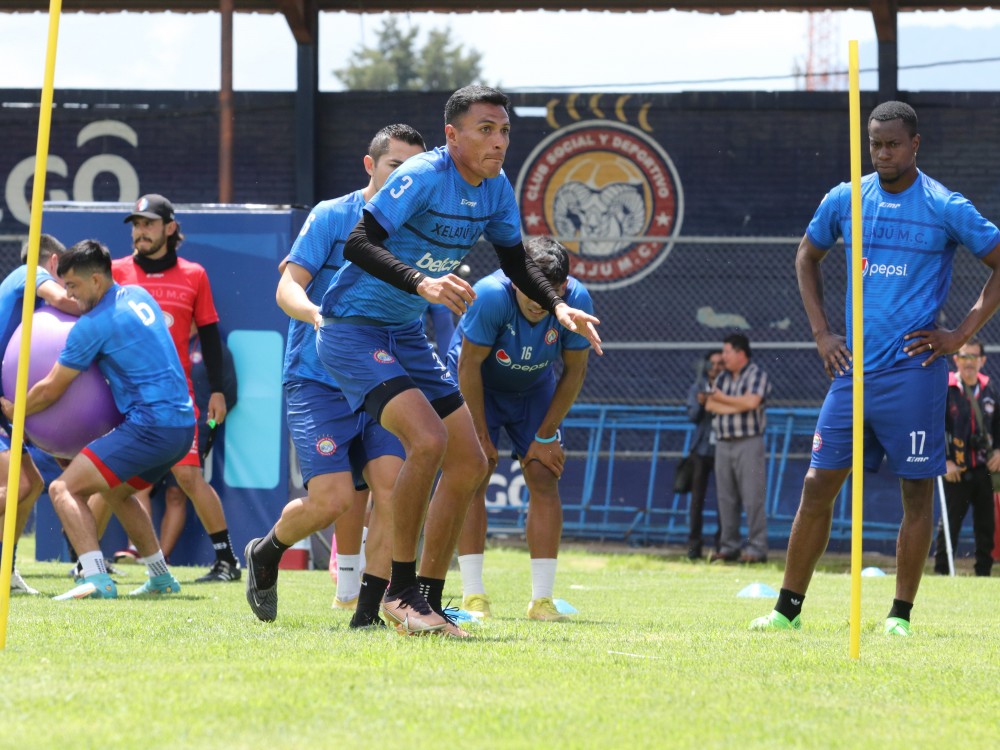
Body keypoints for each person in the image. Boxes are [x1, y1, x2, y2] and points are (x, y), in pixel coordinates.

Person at [312, 85, 602, 637]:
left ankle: (429, 600)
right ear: (452, 135)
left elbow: (516, 261)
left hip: (404, 333)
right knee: (429, 442)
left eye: (505, 131)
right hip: (352, 330)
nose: (499, 142)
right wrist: (421, 281)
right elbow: (356, 243)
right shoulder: (422, 175)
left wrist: (561, 307)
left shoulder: (495, 189)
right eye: (485, 130)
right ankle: (400, 594)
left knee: (469, 462)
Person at [751, 101, 1000, 636]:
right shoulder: (846, 199)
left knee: (915, 494)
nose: (883, 153)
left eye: (892, 143)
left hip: (914, 374)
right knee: (818, 484)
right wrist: (821, 333)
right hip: (851, 376)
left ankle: (899, 616)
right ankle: (786, 609)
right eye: (874, 144)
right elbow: (805, 256)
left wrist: (958, 336)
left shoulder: (943, 205)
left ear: (915, 145)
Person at [244, 124, 425, 628]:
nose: (405, 178)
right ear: (370, 166)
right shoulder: (332, 216)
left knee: (392, 488)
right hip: (316, 381)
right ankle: (265, 551)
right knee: (334, 500)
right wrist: (316, 315)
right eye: (395, 166)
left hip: (381, 380)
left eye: (415, 169)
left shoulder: (420, 227)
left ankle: (365, 613)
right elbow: (288, 287)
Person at [0, 239, 194, 599]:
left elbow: (51, 389)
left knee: (62, 488)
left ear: (96, 281)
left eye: (72, 286)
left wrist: (16, 411)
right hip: (182, 425)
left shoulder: (93, 325)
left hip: (149, 426)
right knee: (117, 491)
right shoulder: (139, 296)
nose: (68, 295)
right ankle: (161, 577)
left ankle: (95, 578)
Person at [450, 236, 594, 621]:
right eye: (528, 289)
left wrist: (546, 435)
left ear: (562, 288)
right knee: (474, 475)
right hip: (476, 384)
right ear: (514, 279)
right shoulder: (490, 296)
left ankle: (542, 601)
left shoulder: (577, 301)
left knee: (544, 474)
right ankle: (473, 596)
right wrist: (480, 434)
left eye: (547, 292)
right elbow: (468, 367)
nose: (535, 299)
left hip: (533, 388)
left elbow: (575, 371)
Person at [107, 194, 241, 582]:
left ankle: (227, 562)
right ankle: (86, 560)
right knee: (103, 476)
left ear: (170, 228)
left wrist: (216, 390)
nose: (140, 231)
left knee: (188, 478)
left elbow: (211, 337)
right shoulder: (115, 272)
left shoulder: (194, 274)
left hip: (174, 398)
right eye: (136, 224)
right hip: (123, 398)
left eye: (148, 223)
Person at [0, 234, 79, 595]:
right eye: (66, 274)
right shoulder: (29, 272)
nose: (68, 285)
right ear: (52, 263)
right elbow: (64, 300)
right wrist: (103, 305)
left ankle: (7, 570)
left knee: (30, 487)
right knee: (25, 485)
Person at [934, 338, 999, 576]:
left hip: (985, 470)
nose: (969, 362)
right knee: (949, 526)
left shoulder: (991, 389)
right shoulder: (946, 388)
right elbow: (933, 427)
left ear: (982, 360)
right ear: (956, 360)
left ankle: (984, 574)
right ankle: (942, 572)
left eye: (974, 357)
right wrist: (945, 461)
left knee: (986, 526)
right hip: (955, 470)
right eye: (964, 356)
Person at [705, 333, 771, 564]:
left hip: (748, 442)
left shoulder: (757, 375)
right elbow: (710, 403)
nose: (723, 357)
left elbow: (752, 402)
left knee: (753, 497)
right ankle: (729, 546)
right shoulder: (722, 378)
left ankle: (756, 548)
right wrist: (737, 403)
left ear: (741, 353)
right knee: (726, 498)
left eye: (727, 352)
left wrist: (725, 400)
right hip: (723, 443)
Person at [685, 349, 724, 560]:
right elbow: (692, 415)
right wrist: (702, 404)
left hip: (723, 450)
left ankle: (721, 546)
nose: (716, 368)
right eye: (712, 364)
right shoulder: (697, 388)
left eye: (720, 364)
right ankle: (694, 547)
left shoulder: (729, 387)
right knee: (697, 500)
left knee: (723, 500)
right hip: (701, 450)